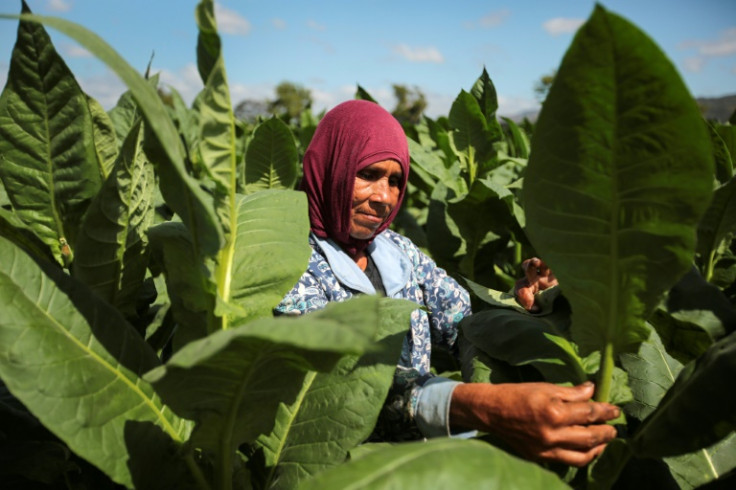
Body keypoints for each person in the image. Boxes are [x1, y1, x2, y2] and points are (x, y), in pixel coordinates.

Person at [274, 99, 619, 467]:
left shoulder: (397, 250)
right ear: (332, 166)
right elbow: (342, 380)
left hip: (421, 461)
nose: (384, 198)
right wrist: (484, 407)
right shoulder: (286, 260)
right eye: (368, 174)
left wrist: (524, 301)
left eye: (395, 181)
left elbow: (464, 321)